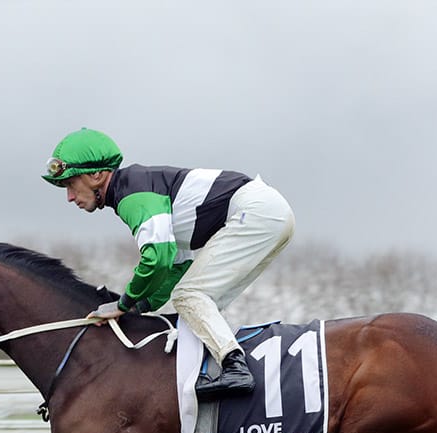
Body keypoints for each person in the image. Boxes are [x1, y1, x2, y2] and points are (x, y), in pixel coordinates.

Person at [41, 128, 295, 400]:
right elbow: (177, 266)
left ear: (96, 175)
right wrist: (141, 307)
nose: (69, 197)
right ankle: (219, 368)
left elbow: (156, 258)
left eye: (70, 184)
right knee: (198, 303)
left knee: (190, 296)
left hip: (255, 213)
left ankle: (235, 367)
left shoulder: (133, 195)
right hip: (268, 213)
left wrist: (123, 304)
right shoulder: (140, 188)